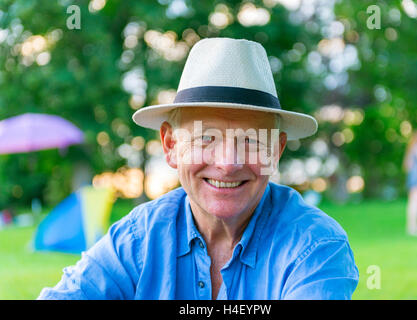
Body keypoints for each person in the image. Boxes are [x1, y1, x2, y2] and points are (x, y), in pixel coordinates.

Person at [38, 38, 358, 300]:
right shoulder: (139, 238)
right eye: (206, 137)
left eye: (250, 140)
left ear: (276, 151)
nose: (228, 163)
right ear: (170, 145)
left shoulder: (315, 246)